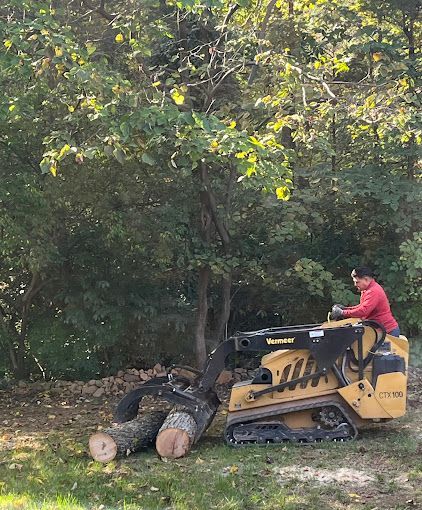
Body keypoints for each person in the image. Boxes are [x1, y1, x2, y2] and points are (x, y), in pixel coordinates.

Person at [331, 266, 400, 337]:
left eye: (357, 282)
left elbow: (364, 311)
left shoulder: (373, 291)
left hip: (388, 332)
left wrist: (343, 312)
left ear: (366, 279)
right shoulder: (367, 290)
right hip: (380, 331)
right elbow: (361, 307)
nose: (355, 285)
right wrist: (345, 309)